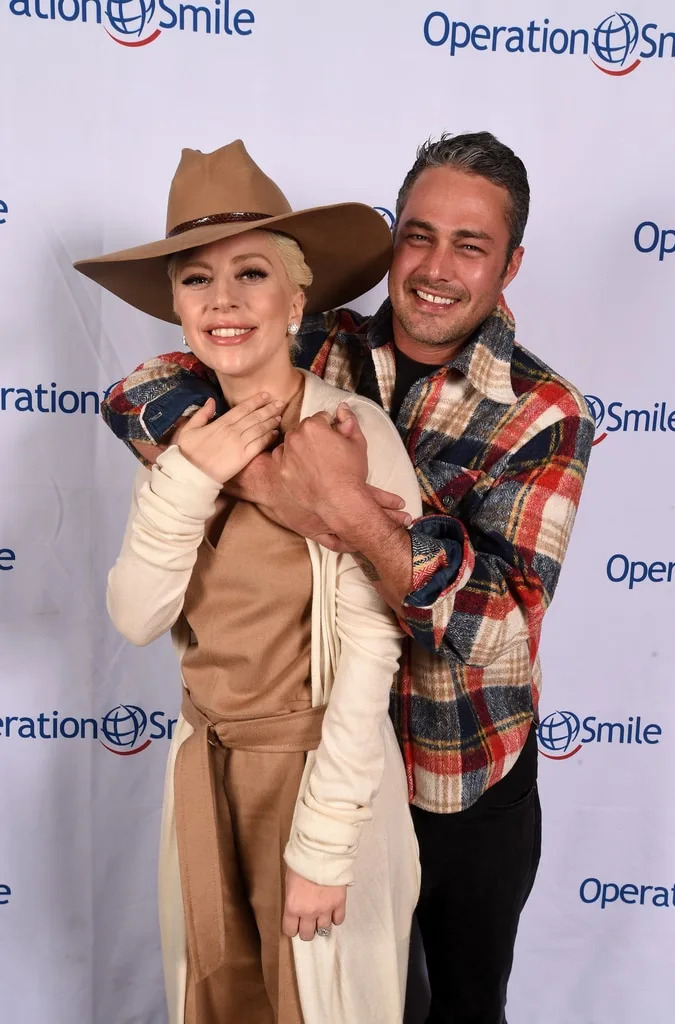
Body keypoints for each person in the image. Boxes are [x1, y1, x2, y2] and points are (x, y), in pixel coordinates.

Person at [97, 132, 595, 1023]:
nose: (436, 267)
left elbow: (501, 628)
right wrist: (265, 478)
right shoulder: (321, 341)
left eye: (470, 245)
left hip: (454, 767)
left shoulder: (543, 411)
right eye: (419, 235)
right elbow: (140, 391)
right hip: (304, 756)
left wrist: (352, 514)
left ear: (509, 265)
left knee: (456, 1004)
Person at [74, 140, 424, 1024]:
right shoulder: (179, 440)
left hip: (318, 779)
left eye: (251, 274)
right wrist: (191, 475)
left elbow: (374, 649)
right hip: (206, 777)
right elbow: (136, 616)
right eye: (196, 279)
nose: (222, 301)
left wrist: (325, 845)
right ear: (177, 307)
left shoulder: (353, 431)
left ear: (297, 300)